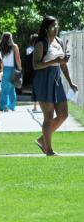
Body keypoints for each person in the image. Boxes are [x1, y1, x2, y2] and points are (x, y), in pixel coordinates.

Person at [32, 16, 78, 156]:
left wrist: (70, 82)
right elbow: (36, 65)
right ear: (46, 28)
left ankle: (42, 140)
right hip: (43, 80)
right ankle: (49, 149)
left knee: (63, 114)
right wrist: (54, 60)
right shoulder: (41, 43)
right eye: (53, 26)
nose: (56, 28)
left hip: (56, 79)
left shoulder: (59, 41)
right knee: (49, 117)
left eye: (57, 26)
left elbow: (62, 64)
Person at [0, 32, 22, 112]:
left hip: (2, 69)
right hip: (12, 69)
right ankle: (12, 106)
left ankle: (3, 106)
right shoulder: (14, 46)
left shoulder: (0, 46)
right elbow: (18, 59)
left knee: (3, 88)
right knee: (12, 88)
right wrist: (20, 69)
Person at [25, 34, 40, 112]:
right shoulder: (30, 49)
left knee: (39, 88)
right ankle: (35, 106)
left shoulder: (31, 49)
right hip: (34, 70)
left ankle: (38, 106)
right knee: (35, 88)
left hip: (38, 70)